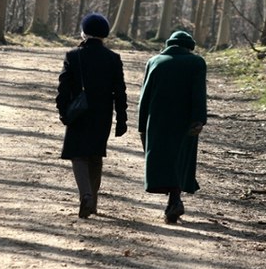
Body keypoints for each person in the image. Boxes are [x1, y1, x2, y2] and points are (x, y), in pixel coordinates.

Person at [56, 12, 128, 219]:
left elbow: (63, 88)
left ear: (84, 32)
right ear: (104, 35)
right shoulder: (113, 58)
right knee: (95, 156)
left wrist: (64, 112)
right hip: (102, 115)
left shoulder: (73, 56)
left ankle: (86, 196)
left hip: (79, 113)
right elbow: (120, 92)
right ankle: (93, 201)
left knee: (78, 155)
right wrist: (121, 119)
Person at [138, 30, 207, 224]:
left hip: (157, 119)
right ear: (189, 47)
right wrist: (199, 119)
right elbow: (199, 93)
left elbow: (145, 96)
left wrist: (142, 124)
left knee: (162, 158)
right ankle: (174, 200)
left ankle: (173, 202)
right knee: (180, 159)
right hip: (185, 120)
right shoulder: (196, 63)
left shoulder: (154, 61)